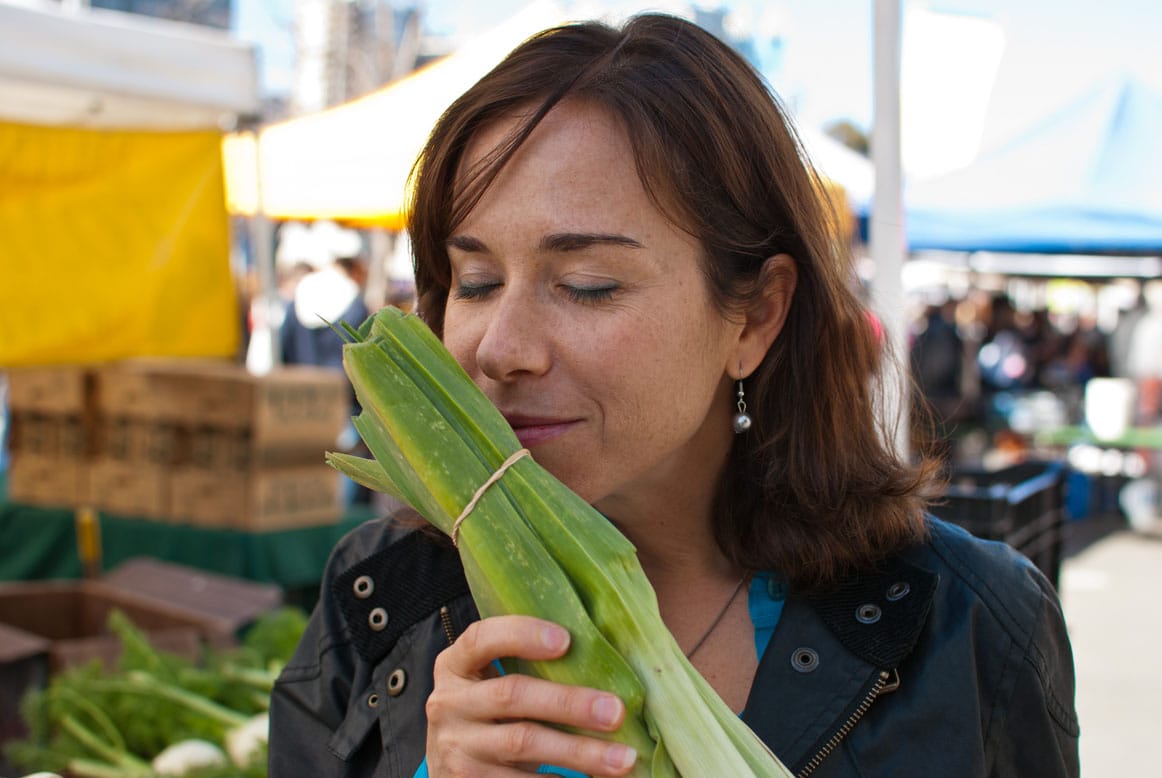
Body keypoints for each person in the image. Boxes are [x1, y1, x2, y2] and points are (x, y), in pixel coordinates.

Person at [268, 14, 1078, 777]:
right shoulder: (378, 600)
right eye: (474, 281)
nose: (501, 349)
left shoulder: (965, 625)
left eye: (587, 285)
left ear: (755, 317)